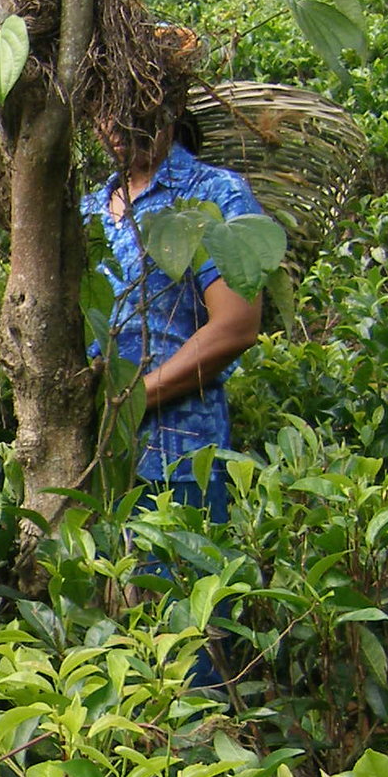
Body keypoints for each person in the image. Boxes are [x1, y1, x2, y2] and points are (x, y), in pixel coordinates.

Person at [87, 62, 266, 528]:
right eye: (105, 105)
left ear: (170, 104)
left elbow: (235, 326)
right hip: (93, 459)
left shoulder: (213, 193)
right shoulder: (87, 209)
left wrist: (133, 400)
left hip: (179, 455)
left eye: (134, 102)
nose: (118, 120)